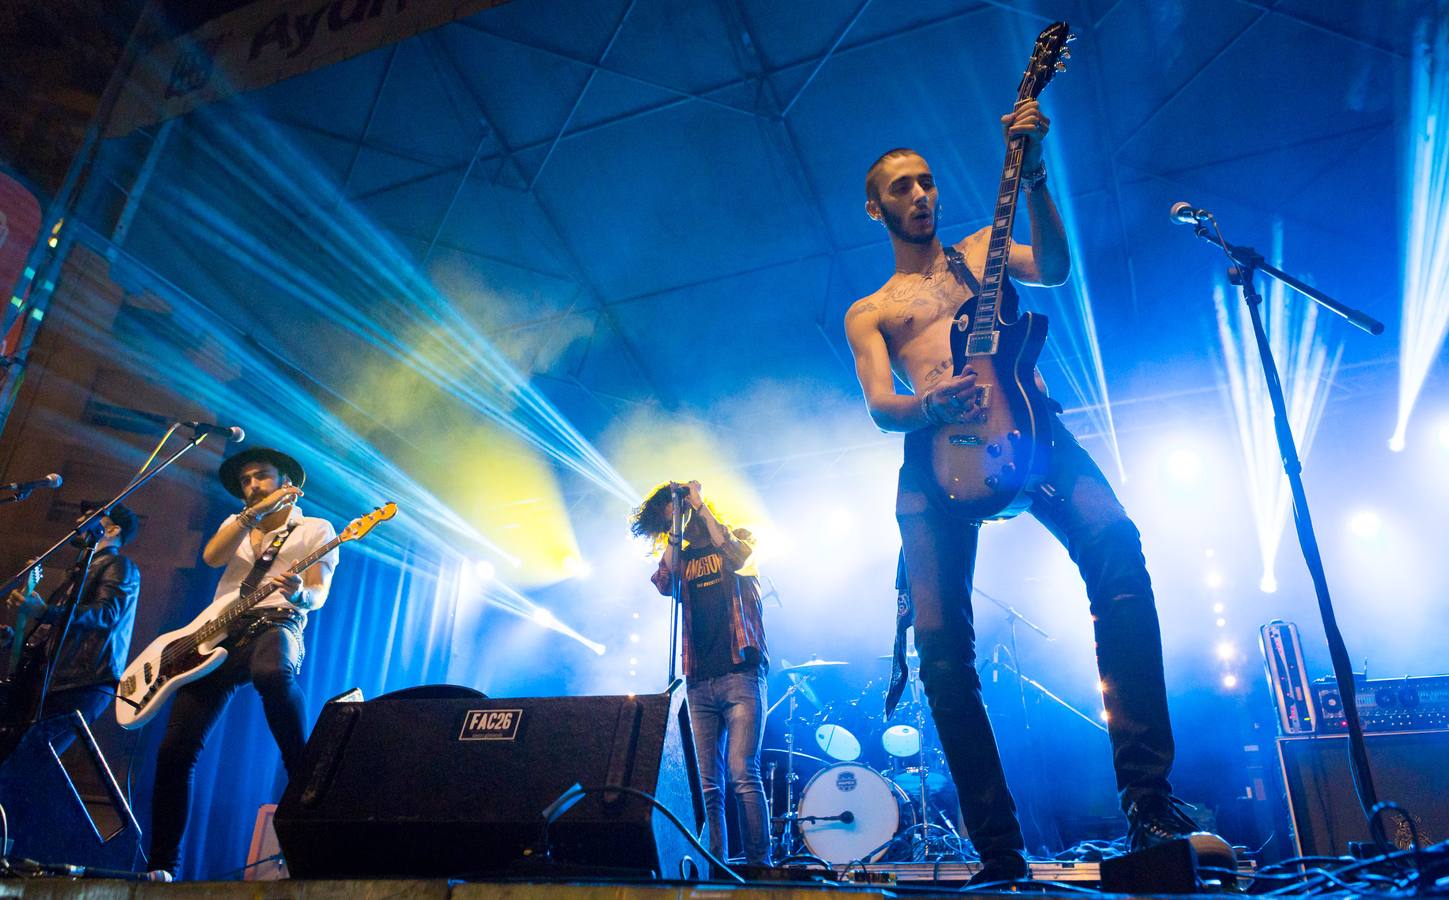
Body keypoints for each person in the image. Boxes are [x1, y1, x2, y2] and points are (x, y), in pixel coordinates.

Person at [843, 100, 1199, 883]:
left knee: (1117, 546)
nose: (920, 196)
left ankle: (1146, 797)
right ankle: (997, 852)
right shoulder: (871, 311)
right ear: (876, 206)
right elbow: (879, 407)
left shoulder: (982, 249)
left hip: (1032, 433)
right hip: (933, 462)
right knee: (940, 654)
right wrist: (929, 403)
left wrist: (1033, 174)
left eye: (926, 181)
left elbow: (1061, 267)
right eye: (900, 188)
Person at [146, 447, 338, 881]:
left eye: (261, 477)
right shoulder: (237, 525)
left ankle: (301, 767)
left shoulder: (316, 529)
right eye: (246, 481)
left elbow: (318, 591)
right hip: (217, 638)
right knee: (174, 751)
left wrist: (299, 594)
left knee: (271, 674)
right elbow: (212, 558)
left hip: (276, 622)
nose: (251, 486)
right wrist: (249, 517)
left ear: (288, 482)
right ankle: (161, 867)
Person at [631, 480, 772, 868]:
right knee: (707, 785)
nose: (680, 521)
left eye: (681, 513)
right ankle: (716, 867)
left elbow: (738, 555)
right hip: (698, 682)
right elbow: (663, 584)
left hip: (740, 674)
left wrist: (701, 505)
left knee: (743, 772)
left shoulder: (738, 538)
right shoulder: (681, 556)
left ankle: (760, 866)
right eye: (670, 520)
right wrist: (675, 532)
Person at [3, 504, 141, 750]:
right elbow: (55, 632)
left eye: (92, 517)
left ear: (112, 531)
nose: (80, 519)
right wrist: (15, 640)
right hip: (50, 681)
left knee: (27, 761)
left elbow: (107, 614)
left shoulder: (119, 565)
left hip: (80, 683)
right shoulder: (78, 574)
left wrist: (45, 611)